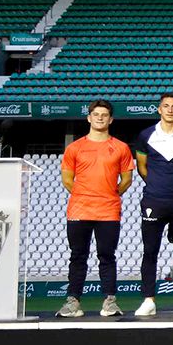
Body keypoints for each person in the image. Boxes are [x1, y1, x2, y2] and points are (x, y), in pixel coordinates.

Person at [55, 99, 134, 318]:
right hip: (79, 209)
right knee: (78, 256)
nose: (100, 118)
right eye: (96, 114)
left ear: (111, 119)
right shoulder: (75, 147)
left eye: (104, 115)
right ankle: (73, 302)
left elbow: (127, 179)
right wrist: (85, 194)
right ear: (89, 118)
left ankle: (109, 302)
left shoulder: (120, 147)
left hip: (108, 210)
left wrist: (109, 194)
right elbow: (67, 180)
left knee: (107, 256)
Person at [133, 93, 173, 317]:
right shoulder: (146, 135)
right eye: (166, 106)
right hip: (154, 200)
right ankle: (149, 299)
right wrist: (157, 185)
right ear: (159, 110)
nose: (170, 110)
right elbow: (142, 167)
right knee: (150, 251)